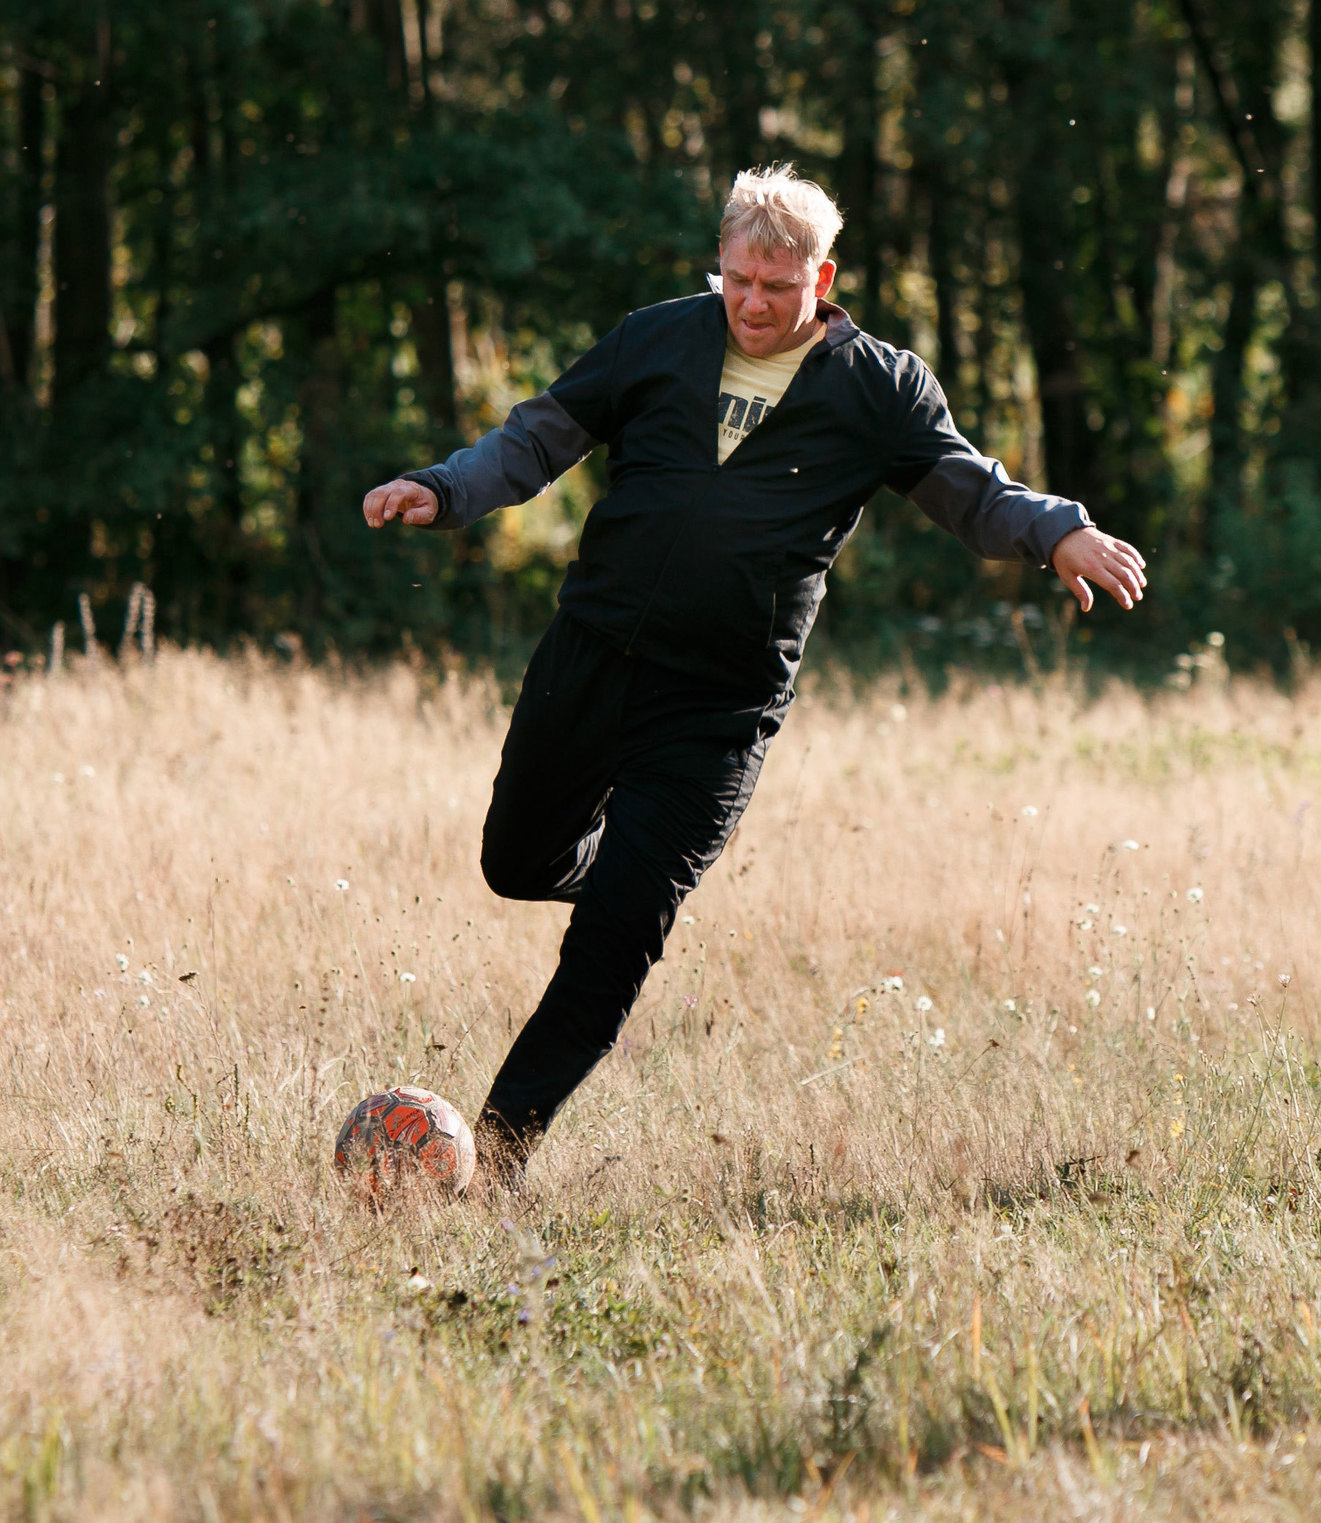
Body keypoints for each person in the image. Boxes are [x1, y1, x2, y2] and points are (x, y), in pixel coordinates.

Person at [360, 165, 1146, 1182]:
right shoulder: (655, 339)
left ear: (823, 279)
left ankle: (498, 1156)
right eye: (737, 280)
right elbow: (538, 437)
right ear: (720, 266)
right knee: (513, 862)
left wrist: (1058, 531)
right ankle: (621, 880)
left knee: (612, 947)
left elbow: (971, 490)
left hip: (720, 706)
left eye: (778, 286)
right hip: (591, 655)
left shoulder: (877, 386)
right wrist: (444, 489)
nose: (754, 303)